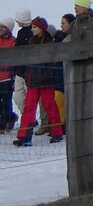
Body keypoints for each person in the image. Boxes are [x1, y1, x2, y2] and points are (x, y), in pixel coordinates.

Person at [12, 18, 64, 146]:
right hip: (33, 80)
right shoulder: (32, 42)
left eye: (35, 27)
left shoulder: (49, 44)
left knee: (49, 106)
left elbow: (54, 62)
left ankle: (57, 132)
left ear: (42, 28)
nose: (32, 29)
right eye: (32, 27)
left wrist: (46, 75)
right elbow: (28, 60)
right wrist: (26, 74)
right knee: (29, 108)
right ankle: (24, 136)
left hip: (46, 81)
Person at [0, 17, 15, 133]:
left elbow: (16, 60)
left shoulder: (13, 41)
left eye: (3, 27)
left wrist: (13, 76)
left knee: (6, 101)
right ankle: (12, 117)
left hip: (7, 77)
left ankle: (2, 125)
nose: (0, 29)